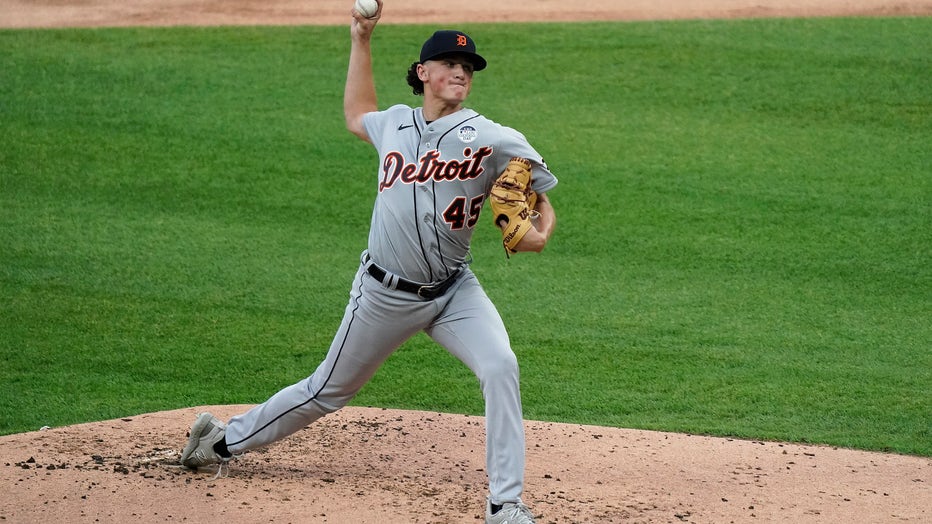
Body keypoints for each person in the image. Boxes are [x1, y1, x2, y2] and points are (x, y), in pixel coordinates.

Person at [179, 2, 557, 522]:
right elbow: (357, 114)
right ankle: (220, 441)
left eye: (467, 68)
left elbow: (538, 192)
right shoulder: (394, 126)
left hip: (453, 291)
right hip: (382, 294)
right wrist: (361, 38)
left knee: (500, 365)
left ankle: (505, 505)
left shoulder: (492, 136)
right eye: (449, 64)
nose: (460, 73)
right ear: (423, 73)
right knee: (325, 391)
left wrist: (537, 234)